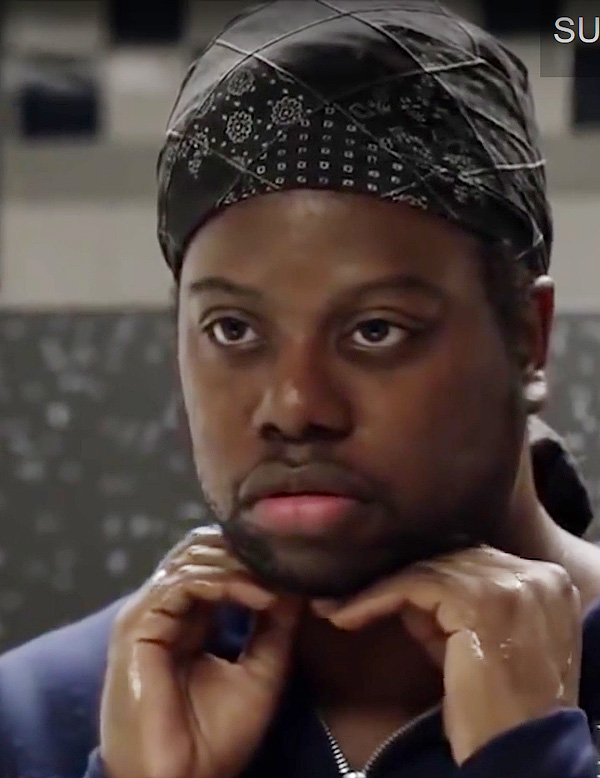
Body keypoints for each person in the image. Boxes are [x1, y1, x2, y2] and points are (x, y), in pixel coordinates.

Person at [2, 1, 600, 776]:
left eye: (375, 330)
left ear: (528, 339)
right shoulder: (35, 721)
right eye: (233, 330)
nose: (294, 407)